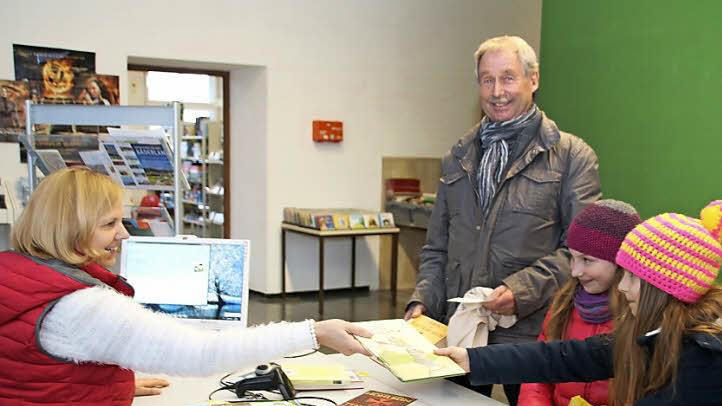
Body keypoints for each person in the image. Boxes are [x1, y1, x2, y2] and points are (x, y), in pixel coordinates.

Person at [0, 167, 372, 406]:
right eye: (109, 224)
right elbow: (203, 355)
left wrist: (108, 384)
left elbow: (34, 371)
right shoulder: (81, 307)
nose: (123, 234)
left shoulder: (17, 274)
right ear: (71, 228)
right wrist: (314, 332)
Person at [405, 35, 601, 404]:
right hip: (458, 330)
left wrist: (520, 291)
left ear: (534, 79)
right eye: (487, 79)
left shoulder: (573, 157)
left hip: (532, 336)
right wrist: (422, 303)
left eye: (508, 78)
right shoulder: (457, 158)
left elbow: (580, 252)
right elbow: (437, 247)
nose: (497, 91)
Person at [436, 201, 722, 406]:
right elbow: (565, 356)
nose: (623, 286)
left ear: (663, 290)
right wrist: (472, 358)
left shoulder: (703, 362)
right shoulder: (655, 336)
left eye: (632, 278)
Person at [518, 199, 641, 406]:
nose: (575, 271)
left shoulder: (639, 313)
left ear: (620, 261)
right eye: (573, 258)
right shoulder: (564, 303)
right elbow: (539, 370)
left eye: (587, 260)